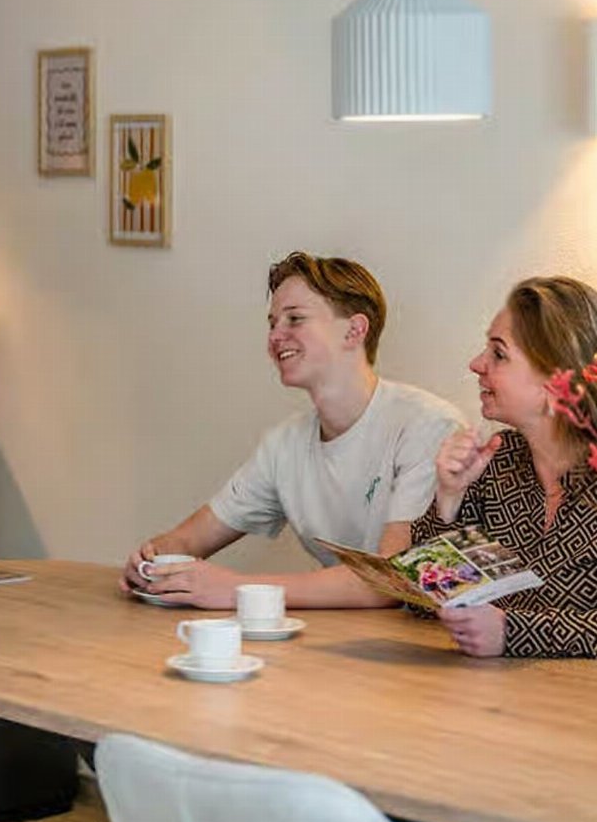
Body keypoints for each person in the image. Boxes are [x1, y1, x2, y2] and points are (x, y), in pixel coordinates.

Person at [120, 251, 464, 609]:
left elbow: (392, 580)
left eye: (295, 319)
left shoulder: (427, 426)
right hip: (339, 636)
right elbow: (189, 540)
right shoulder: (284, 445)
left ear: (354, 330)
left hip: (427, 636)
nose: (275, 336)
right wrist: (151, 561)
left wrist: (237, 589)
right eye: (272, 324)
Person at [415, 276, 597, 661]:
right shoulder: (496, 463)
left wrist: (515, 633)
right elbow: (422, 600)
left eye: (499, 354)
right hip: (483, 692)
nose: (476, 364)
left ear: (556, 379)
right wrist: (449, 498)